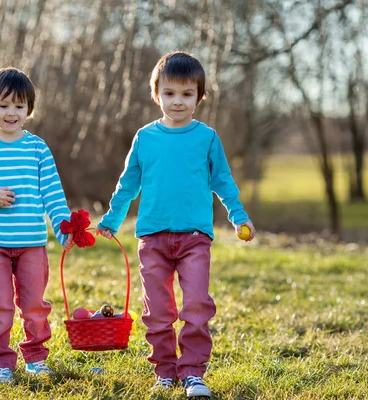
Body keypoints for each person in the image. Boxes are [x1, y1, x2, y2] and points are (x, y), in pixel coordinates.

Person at [95, 51, 256, 398]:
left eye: (187, 94)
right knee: (158, 311)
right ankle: (165, 371)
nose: (178, 101)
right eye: (170, 93)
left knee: (196, 305)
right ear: (157, 94)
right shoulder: (145, 138)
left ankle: (193, 372)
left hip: (195, 237)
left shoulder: (207, 138)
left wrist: (238, 215)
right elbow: (128, 184)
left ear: (199, 97)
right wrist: (112, 219)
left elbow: (223, 182)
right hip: (152, 237)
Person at [0, 67, 74, 384]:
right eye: (4, 105)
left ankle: (35, 358)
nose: (11, 113)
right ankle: (2, 363)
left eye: (19, 106)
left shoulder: (37, 149)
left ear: (28, 110)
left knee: (34, 304)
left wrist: (64, 229)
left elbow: (52, 193)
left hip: (31, 243)